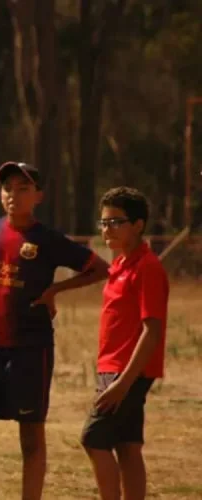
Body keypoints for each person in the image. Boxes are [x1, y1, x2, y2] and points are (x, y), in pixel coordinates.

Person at [0, 161, 110, 500]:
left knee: (31, 437)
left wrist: (55, 291)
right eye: (8, 188)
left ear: (38, 195)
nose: (13, 195)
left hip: (31, 347)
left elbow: (99, 268)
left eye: (23, 188)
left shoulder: (47, 239)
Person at [81, 187, 169, 500]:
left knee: (93, 439)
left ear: (138, 225)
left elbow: (152, 330)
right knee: (127, 445)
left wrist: (123, 383)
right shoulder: (118, 265)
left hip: (126, 372)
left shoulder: (147, 268)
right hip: (112, 368)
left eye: (116, 222)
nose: (107, 229)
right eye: (103, 222)